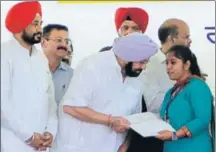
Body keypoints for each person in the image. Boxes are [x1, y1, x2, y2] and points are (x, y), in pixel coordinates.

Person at [50, 33, 159, 152]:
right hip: (79, 146)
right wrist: (110, 120)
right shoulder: (93, 65)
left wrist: (125, 145)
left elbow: (133, 117)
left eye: (146, 62)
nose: (144, 67)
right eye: (142, 62)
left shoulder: (138, 77)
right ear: (127, 56)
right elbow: (71, 107)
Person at [1, 1, 58, 152]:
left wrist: (50, 132)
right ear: (21, 25)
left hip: (41, 145)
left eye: (40, 23)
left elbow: (50, 99)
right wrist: (28, 136)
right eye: (35, 24)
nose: (40, 29)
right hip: (12, 143)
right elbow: (2, 103)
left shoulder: (41, 58)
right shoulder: (4, 53)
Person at [156, 45, 213, 152]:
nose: (168, 67)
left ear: (186, 65)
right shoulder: (171, 91)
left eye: (173, 62)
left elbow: (203, 119)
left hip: (194, 147)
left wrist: (174, 135)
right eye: (167, 63)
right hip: (171, 147)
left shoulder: (198, 86)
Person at [42, 24, 73, 107]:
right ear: (44, 43)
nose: (64, 45)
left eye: (66, 41)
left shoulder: (72, 75)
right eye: (59, 40)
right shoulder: (30, 69)